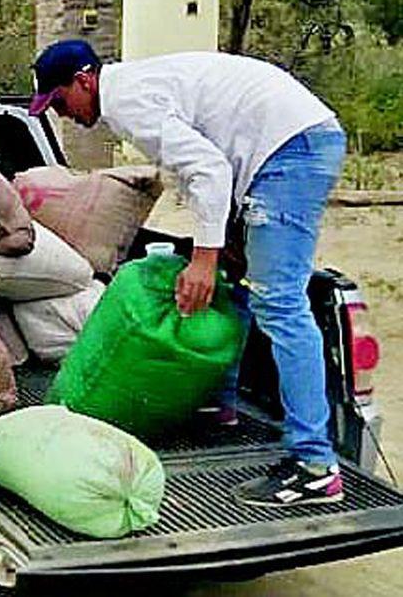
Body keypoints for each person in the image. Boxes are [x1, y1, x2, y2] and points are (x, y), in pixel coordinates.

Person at [29, 39, 347, 507]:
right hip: (281, 149)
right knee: (236, 283)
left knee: (279, 302)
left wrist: (204, 257)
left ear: (83, 81)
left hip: (290, 150)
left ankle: (315, 467)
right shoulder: (131, 92)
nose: (63, 115)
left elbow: (210, 171)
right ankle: (221, 402)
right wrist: (223, 245)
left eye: (59, 102)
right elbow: (205, 172)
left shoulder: (128, 101)